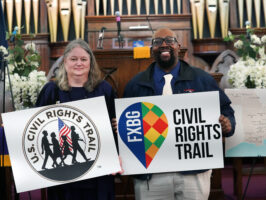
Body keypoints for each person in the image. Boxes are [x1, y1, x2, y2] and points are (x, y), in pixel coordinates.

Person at [122, 27, 236, 200]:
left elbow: (226, 111)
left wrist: (227, 123)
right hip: (151, 174)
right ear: (151, 48)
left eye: (170, 40)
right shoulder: (135, 85)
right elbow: (128, 127)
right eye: (158, 42)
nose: (164, 45)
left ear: (178, 46)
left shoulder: (202, 79)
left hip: (193, 172)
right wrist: (121, 125)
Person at [36, 39, 117, 200]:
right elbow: (35, 127)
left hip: (98, 174)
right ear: (65, 62)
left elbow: (116, 125)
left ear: (90, 63)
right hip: (62, 175)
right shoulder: (51, 90)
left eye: (83, 59)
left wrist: (118, 126)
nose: (78, 63)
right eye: (73, 59)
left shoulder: (105, 89)